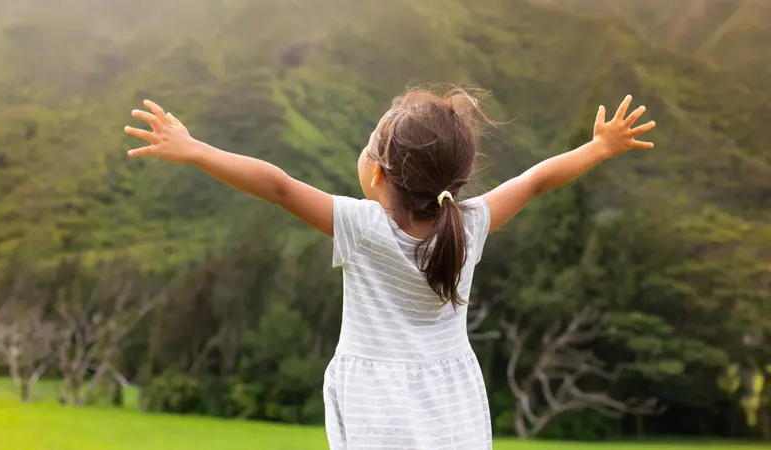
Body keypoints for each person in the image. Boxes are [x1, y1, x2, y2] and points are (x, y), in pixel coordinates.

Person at [125, 88, 655, 449]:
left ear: (377, 172)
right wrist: (599, 146)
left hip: (376, 401)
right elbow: (536, 180)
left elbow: (278, 184)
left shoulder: (362, 226)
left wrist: (194, 150)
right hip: (453, 398)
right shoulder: (470, 224)